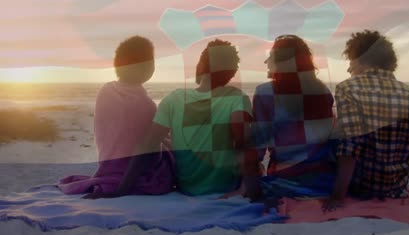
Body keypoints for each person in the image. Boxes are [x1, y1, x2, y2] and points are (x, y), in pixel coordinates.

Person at [85, 39, 261, 199]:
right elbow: (244, 145)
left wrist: (121, 190)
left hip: (187, 187)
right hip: (225, 186)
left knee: (168, 141)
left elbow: (147, 145)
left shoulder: (174, 99)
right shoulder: (237, 99)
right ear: (231, 73)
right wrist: (249, 189)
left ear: (200, 66)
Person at [322, 30, 409, 211]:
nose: (349, 69)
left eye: (351, 62)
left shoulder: (348, 88)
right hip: (397, 188)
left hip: (361, 188)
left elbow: (350, 148)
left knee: (331, 136)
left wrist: (337, 197)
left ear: (361, 59)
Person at [60, 36, 174, 197]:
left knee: (164, 137)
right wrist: (122, 189)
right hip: (138, 176)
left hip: (109, 169)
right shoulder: (147, 106)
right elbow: (145, 152)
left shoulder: (106, 91)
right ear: (148, 67)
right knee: (171, 146)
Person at [252, 35, 336, 198]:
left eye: (270, 56)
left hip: (285, 181)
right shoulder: (322, 91)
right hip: (324, 181)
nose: (266, 62)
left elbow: (259, 148)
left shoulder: (264, 93)